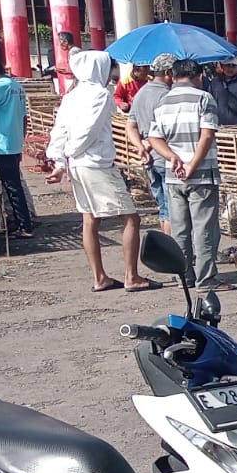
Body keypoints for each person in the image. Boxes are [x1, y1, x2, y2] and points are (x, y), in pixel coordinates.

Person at [46, 51, 157, 292]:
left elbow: (59, 131)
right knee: (131, 218)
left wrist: (60, 161)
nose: (111, 74)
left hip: (77, 165)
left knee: (90, 219)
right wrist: (70, 153)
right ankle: (131, 276)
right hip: (96, 163)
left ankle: (100, 277)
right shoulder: (100, 94)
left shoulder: (71, 96)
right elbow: (89, 131)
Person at [148, 57, 226, 291]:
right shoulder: (204, 98)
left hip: (174, 175)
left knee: (180, 229)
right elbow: (207, 135)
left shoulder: (163, 102)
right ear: (198, 76)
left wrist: (172, 157)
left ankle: (183, 277)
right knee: (204, 229)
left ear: (173, 76)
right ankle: (206, 280)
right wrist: (192, 164)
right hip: (202, 174)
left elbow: (154, 138)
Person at [0, 48, 35, 238]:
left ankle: (24, 226)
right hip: (13, 141)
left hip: (1, 142)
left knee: (11, 186)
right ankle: (24, 222)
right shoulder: (15, 85)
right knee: (14, 185)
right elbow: (24, 117)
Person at [126, 54, 176, 235]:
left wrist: (141, 146)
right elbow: (169, 130)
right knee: (172, 211)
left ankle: (167, 246)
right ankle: (173, 247)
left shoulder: (141, 93)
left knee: (163, 207)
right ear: (169, 73)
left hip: (150, 159)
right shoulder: (167, 95)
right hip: (166, 157)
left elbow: (130, 126)